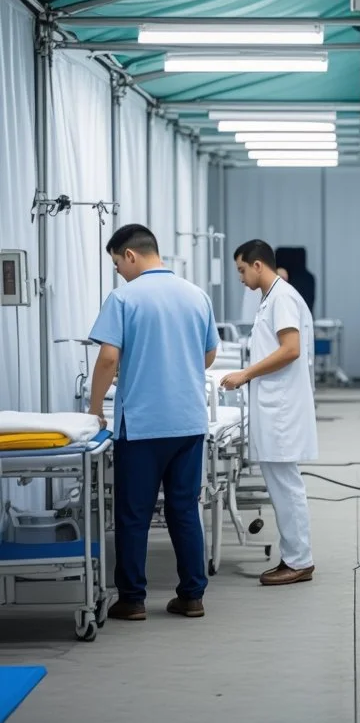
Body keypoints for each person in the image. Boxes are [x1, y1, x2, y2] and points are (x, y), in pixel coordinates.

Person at [88, 224, 219, 621]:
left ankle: (132, 600)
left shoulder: (124, 298)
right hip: (188, 423)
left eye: (116, 264)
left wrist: (95, 408)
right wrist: (176, 369)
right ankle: (192, 595)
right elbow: (209, 354)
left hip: (143, 425)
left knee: (133, 513)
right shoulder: (196, 295)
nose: (118, 272)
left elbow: (109, 359)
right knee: (184, 508)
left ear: (130, 255)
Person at [221, 240, 317, 586]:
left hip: (283, 409)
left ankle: (299, 560)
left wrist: (245, 374)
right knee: (281, 485)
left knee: (287, 485)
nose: (241, 277)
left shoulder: (282, 298)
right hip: (276, 406)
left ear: (258, 265)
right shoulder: (271, 299)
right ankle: (293, 555)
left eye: (242, 270)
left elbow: (291, 350)